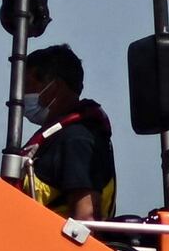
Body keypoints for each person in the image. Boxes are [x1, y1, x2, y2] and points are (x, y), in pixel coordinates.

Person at [13, 47, 118, 222]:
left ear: (54, 87)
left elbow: (86, 217)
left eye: (27, 87)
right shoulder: (54, 140)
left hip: (47, 247)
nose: (22, 96)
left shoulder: (76, 139)